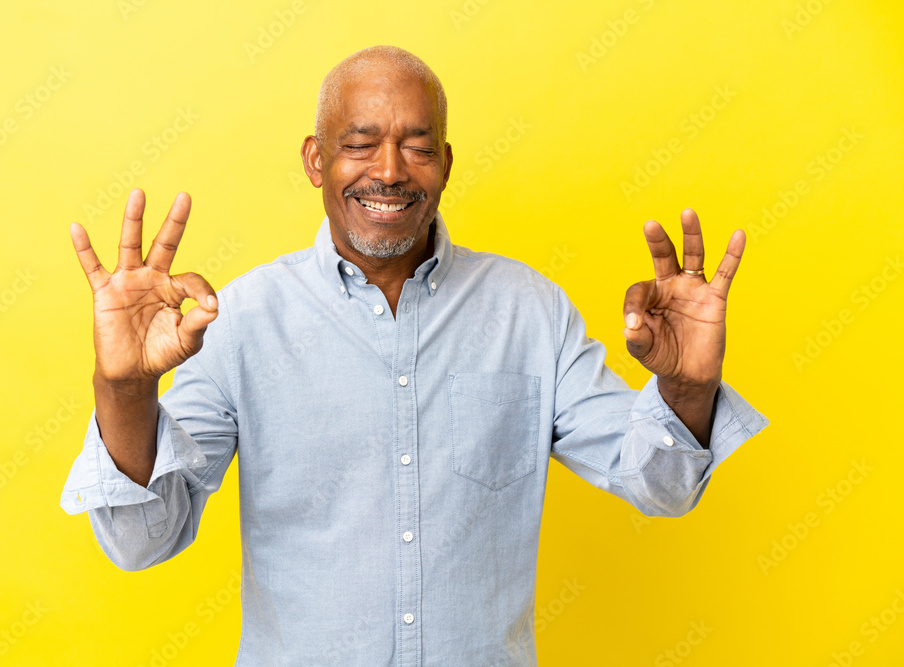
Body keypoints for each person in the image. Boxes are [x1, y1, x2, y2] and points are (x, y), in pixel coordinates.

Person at [61, 45, 767, 665]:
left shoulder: (531, 311)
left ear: (446, 164)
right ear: (315, 159)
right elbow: (141, 540)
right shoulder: (240, 320)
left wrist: (686, 389)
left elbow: (660, 486)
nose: (390, 170)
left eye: (418, 147)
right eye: (360, 143)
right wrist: (124, 389)